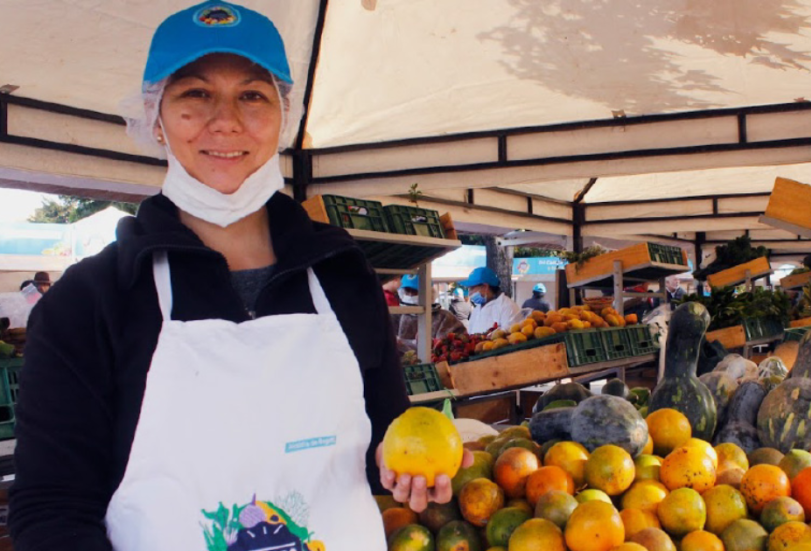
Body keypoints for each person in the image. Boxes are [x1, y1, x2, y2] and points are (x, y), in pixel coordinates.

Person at [9, 3, 468, 549]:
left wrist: (409, 477)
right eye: (195, 94)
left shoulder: (345, 278)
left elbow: (380, 450)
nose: (225, 120)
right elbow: (52, 507)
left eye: (252, 95)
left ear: (283, 117)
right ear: (156, 119)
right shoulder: (90, 301)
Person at [394, 275, 466, 354]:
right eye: (407, 291)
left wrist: (433, 343)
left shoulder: (445, 317)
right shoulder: (395, 315)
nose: (411, 295)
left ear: (429, 293)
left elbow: (459, 344)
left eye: (415, 291)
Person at [461, 266, 520, 334]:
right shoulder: (477, 309)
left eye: (472, 288)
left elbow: (509, 336)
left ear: (485, 287)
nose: (470, 293)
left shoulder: (507, 307)